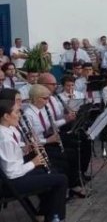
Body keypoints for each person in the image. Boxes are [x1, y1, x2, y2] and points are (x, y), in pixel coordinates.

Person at [0, 88, 68, 222]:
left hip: (17, 175)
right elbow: (11, 173)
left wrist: (24, 149)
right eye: (16, 112)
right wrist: (34, 162)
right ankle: (55, 218)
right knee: (61, 180)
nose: (19, 115)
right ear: (6, 116)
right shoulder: (4, 138)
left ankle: (44, 213)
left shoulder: (7, 130)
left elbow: (10, 155)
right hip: (12, 183)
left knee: (50, 172)